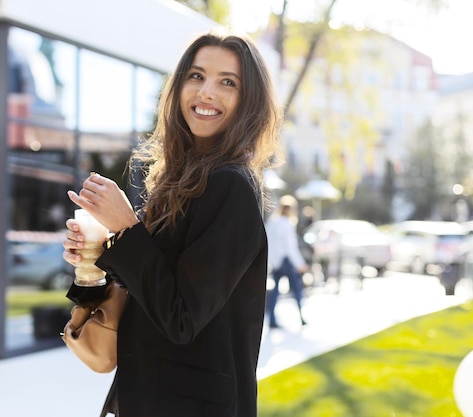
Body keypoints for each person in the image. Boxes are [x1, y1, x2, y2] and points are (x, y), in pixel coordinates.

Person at [62, 30, 281, 417]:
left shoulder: (231, 186)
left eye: (227, 82)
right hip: (147, 398)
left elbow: (180, 318)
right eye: (196, 76)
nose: (206, 92)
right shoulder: (178, 181)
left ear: (249, 101)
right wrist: (91, 263)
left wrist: (128, 228)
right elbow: (147, 290)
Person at [264, 195, 309, 329]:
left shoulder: (272, 223)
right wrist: (300, 263)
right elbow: (291, 247)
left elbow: (268, 242)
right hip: (286, 261)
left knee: (275, 291)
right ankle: (301, 317)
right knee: (296, 289)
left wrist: (272, 260)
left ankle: (272, 319)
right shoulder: (287, 224)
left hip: (276, 261)